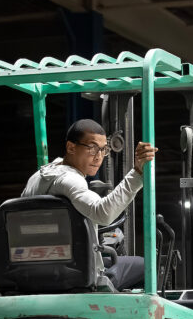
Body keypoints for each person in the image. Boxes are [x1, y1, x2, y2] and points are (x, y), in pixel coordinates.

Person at [21, 119, 157, 290]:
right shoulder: (70, 180)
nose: (98, 157)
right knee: (144, 266)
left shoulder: (37, 177)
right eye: (92, 148)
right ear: (71, 147)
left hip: (34, 272)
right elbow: (103, 212)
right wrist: (138, 172)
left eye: (103, 150)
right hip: (77, 277)